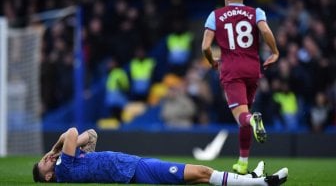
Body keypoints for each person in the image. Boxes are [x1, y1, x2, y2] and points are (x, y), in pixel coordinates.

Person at [32, 127, 288, 185]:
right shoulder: (65, 169)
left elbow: (91, 134)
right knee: (202, 171)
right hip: (134, 171)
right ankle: (260, 183)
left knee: (200, 178)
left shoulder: (74, 162)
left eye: (45, 158)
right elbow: (73, 132)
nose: (47, 159)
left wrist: (62, 149)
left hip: (133, 165)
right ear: (48, 178)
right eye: (44, 164)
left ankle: (251, 178)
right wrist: (55, 150)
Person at [201, 0, 279, 174]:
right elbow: (265, 30)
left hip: (232, 70)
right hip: (253, 69)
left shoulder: (215, 15)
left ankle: (253, 120)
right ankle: (242, 163)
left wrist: (211, 61)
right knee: (245, 114)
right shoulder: (256, 12)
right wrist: (274, 52)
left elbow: (205, 46)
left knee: (243, 117)